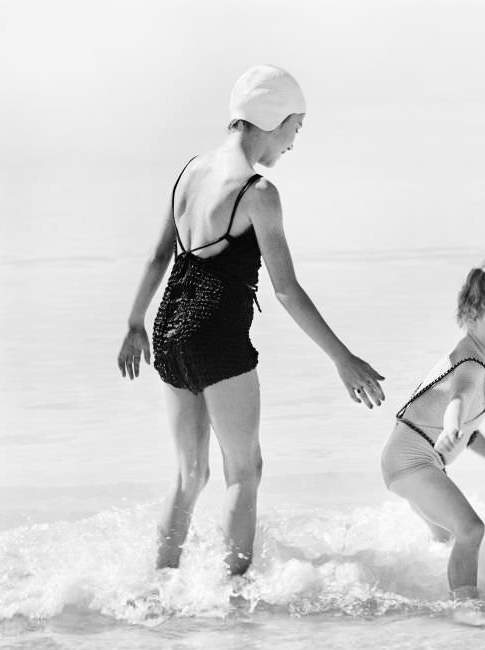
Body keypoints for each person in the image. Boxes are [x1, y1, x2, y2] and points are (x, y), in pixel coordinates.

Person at [117, 65, 385, 576]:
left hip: (168, 329)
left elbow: (157, 257)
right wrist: (343, 359)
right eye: (295, 128)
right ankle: (232, 592)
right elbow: (286, 289)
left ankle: (160, 584)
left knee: (189, 474)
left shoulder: (189, 171)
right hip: (217, 338)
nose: (292, 143)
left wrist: (134, 323)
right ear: (273, 119)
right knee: (245, 471)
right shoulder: (258, 194)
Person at [381, 259, 485, 601]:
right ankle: (466, 606)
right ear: (471, 315)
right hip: (413, 463)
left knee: (445, 539)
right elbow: (459, 399)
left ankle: (411, 588)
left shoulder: (474, 356)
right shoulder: (471, 364)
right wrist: (451, 426)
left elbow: (469, 432)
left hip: (409, 463)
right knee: (471, 530)